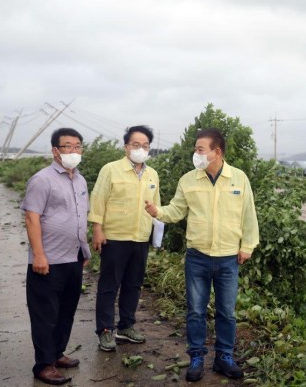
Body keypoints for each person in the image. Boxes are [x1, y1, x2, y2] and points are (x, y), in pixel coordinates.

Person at [144, 128, 259, 382]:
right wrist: (157, 211)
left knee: (227, 311)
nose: (195, 153)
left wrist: (247, 246)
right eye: (196, 149)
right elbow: (176, 210)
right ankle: (196, 356)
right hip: (198, 256)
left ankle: (224, 357)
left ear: (216, 152)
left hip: (228, 257)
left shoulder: (238, 179)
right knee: (196, 310)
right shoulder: (188, 180)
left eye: (200, 149)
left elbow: (249, 215)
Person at [21, 128, 91, 385]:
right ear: (55, 151)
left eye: (78, 146)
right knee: (45, 314)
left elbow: (79, 217)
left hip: (73, 258)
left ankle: (58, 352)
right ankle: (44, 365)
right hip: (47, 260)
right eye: (68, 146)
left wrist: (84, 249)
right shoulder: (42, 180)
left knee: (66, 310)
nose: (74, 151)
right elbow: (32, 218)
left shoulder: (80, 180)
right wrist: (38, 254)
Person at [89, 125, 160, 352]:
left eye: (145, 146)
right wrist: (97, 229)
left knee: (133, 284)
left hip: (140, 237)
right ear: (126, 147)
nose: (141, 149)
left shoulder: (152, 174)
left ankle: (126, 326)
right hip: (115, 237)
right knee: (109, 285)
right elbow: (98, 199)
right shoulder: (111, 169)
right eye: (136, 145)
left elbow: (155, 208)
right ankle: (106, 330)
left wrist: (156, 236)